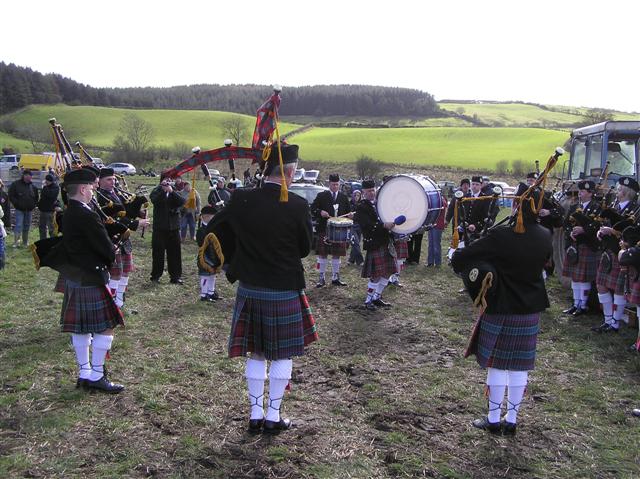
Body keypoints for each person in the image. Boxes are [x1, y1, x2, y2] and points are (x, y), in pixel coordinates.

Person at [208, 143, 318, 435]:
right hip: (283, 288)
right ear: (290, 172)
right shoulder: (297, 204)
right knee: (282, 355)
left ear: (265, 170)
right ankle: (273, 416)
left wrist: (233, 258)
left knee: (256, 353)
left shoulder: (241, 198)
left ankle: (255, 415)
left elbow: (214, 230)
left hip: (251, 288)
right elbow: (306, 249)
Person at [451, 184, 552, 435]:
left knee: (497, 365)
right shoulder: (545, 235)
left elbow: (463, 258)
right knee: (519, 367)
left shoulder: (502, 236)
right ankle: (513, 420)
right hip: (529, 309)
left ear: (518, 205)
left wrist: (458, 255)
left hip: (501, 307)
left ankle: (494, 420)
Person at [58, 168, 125, 393]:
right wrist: (110, 251)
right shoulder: (87, 214)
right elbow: (106, 248)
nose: (95, 190)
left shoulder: (68, 212)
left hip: (76, 276)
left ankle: (84, 373)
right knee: (106, 327)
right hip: (91, 276)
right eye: (93, 186)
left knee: (81, 330)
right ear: (84, 189)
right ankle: (96, 375)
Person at [592, 177, 638, 333]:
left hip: (620, 253)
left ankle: (615, 323)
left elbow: (633, 236)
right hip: (607, 251)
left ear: (626, 191)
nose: (617, 191)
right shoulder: (613, 205)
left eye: (619, 189)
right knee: (600, 284)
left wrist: (612, 231)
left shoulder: (635, 210)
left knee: (619, 289)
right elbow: (604, 224)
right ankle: (607, 320)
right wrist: (600, 231)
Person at [354, 179, 397, 310]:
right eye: (368, 191)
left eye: (373, 190)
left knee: (388, 272)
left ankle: (377, 297)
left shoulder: (380, 203)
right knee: (376, 276)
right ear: (363, 192)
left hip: (385, 241)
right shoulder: (361, 207)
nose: (371, 193)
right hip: (374, 243)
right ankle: (368, 300)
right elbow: (367, 225)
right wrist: (383, 225)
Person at [561, 180, 601, 317]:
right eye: (580, 191)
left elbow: (597, 226)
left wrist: (584, 229)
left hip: (587, 245)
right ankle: (575, 303)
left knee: (583, 278)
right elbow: (565, 223)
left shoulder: (597, 207)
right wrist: (570, 232)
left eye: (583, 191)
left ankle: (583, 305)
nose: (580, 194)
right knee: (575, 277)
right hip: (575, 245)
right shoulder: (574, 206)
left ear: (590, 193)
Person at [310, 173, 352, 287]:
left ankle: (335, 277)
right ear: (329, 184)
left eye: (337, 185)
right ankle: (321, 278)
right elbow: (312, 208)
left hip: (339, 231)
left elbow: (349, 212)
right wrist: (320, 212)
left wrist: (350, 215)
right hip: (324, 229)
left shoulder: (343, 198)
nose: (335, 187)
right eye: (333, 184)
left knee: (336, 255)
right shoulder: (322, 196)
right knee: (322, 254)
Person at [150, 176, 186, 284]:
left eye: (169, 180)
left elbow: (182, 201)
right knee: (158, 254)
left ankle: (175, 277)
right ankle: (156, 276)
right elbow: (154, 201)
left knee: (175, 254)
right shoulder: (156, 191)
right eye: (166, 180)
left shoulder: (175, 190)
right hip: (159, 228)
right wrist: (162, 190)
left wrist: (171, 192)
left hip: (174, 228)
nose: (168, 182)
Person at [8, 169, 39, 247]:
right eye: (28, 176)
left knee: (27, 225)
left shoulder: (33, 186)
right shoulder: (15, 184)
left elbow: (36, 197)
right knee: (18, 225)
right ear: (24, 176)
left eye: (31, 176)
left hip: (29, 210)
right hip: (19, 209)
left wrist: (33, 205)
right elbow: (11, 195)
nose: (30, 177)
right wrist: (16, 203)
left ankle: (25, 242)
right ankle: (16, 242)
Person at [196, 205, 220, 302]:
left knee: (213, 275)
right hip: (205, 257)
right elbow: (202, 243)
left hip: (213, 256)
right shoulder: (201, 230)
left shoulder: (214, 228)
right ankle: (204, 294)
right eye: (212, 216)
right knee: (205, 276)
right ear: (206, 217)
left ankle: (211, 292)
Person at [426, 193, 448, 267]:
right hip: (432, 224)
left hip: (438, 224)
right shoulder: (436, 199)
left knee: (436, 244)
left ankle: (438, 263)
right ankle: (430, 262)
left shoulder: (441, 200)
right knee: (431, 244)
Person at [37, 174, 61, 240]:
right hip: (43, 210)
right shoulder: (45, 187)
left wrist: (45, 187)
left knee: (51, 228)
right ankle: (43, 240)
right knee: (42, 227)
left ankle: (52, 241)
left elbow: (51, 196)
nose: (46, 182)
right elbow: (42, 197)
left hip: (50, 210)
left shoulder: (55, 187)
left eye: (48, 181)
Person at [347, 189, 364, 266]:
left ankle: (351, 260)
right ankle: (360, 261)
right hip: (351, 226)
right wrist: (349, 215)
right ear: (352, 196)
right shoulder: (349, 204)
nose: (356, 197)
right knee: (356, 243)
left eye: (358, 195)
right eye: (355, 195)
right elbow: (346, 215)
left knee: (355, 244)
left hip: (359, 226)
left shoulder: (362, 205)